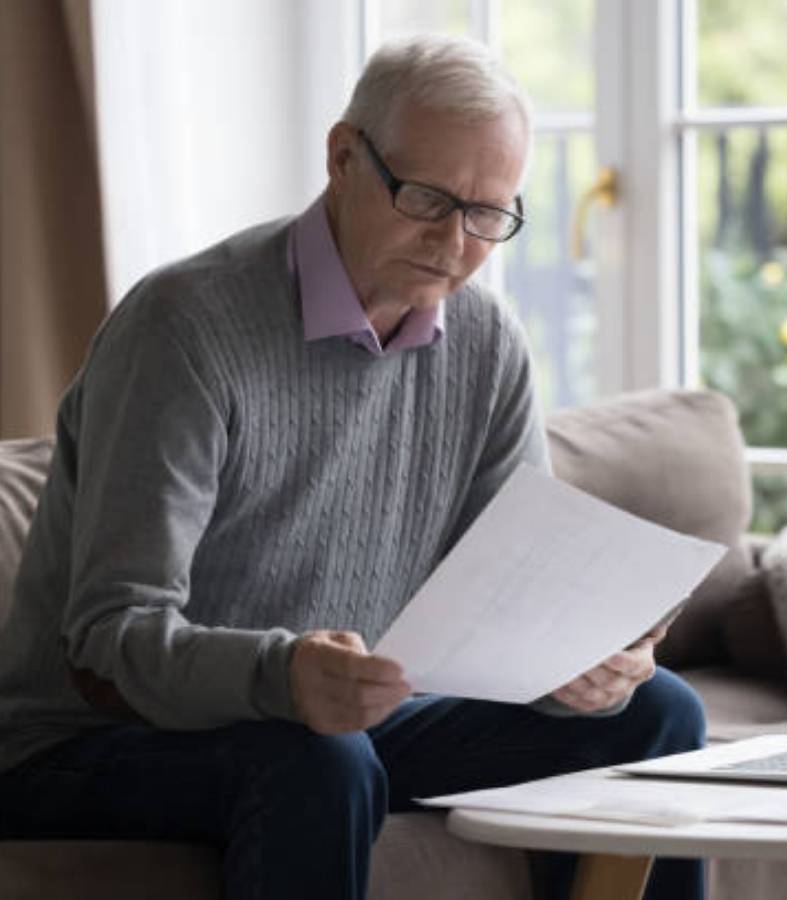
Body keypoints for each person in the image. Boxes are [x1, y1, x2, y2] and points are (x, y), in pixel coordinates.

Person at [0, 34, 705, 900]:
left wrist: (576, 669)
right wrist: (279, 675)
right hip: (84, 742)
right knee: (318, 758)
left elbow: (514, 605)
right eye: (428, 198)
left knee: (658, 710)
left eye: (490, 214)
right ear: (342, 157)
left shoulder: (487, 349)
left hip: (345, 723)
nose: (456, 242)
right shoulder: (185, 329)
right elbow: (105, 649)